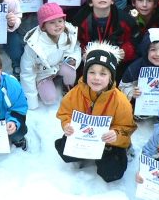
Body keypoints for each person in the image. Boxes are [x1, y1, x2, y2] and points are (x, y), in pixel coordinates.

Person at [55, 42, 137, 182]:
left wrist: (116, 134)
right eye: (92, 72)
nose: (96, 77)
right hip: (84, 137)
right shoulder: (75, 93)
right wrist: (67, 125)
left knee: (111, 172)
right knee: (64, 150)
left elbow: (127, 127)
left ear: (111, 77)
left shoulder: (120, 101)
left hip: (108, 143)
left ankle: (123, 152)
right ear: (85, 73)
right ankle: (85, 153)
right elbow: (65, 113)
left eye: (103, 73)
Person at [20, 3, 81, 109]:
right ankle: (44, 84)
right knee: (50, 99)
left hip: (60, 65)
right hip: (43, 73)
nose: (58, 25)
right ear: (43, 26)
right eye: (52, 22)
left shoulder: (67, 33)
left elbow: (75, 48)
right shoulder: (34, 44)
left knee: (69, 69)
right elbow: (27, 72)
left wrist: (72, 60)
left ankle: (67, 87)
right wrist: (31, 101)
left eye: (60, 21)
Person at [119, 28, 159, 103]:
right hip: (141, 107)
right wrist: (132, 92)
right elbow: (123, 86)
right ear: (146, 51)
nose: (158, 54)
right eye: (153, 49)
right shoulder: (135, 68)